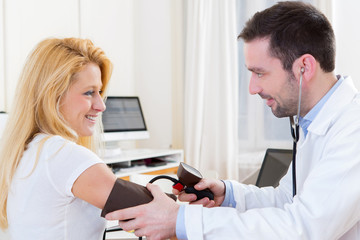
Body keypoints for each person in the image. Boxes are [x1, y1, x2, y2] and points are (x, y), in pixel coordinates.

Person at [105, 1, 360, 239]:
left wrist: (181, 220)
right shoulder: (312, 123)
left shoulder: (352, 128)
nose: (252, 88)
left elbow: (302, 227)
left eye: (260, 73)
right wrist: (229, 194)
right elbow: (287, 198)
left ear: (304, 67)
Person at [0, 38, 119, 239]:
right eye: (89, 92)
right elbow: (156, 214)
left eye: (99, 92)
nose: (101, 105)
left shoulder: (23, 150)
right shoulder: (65, 155)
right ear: (53, 95)